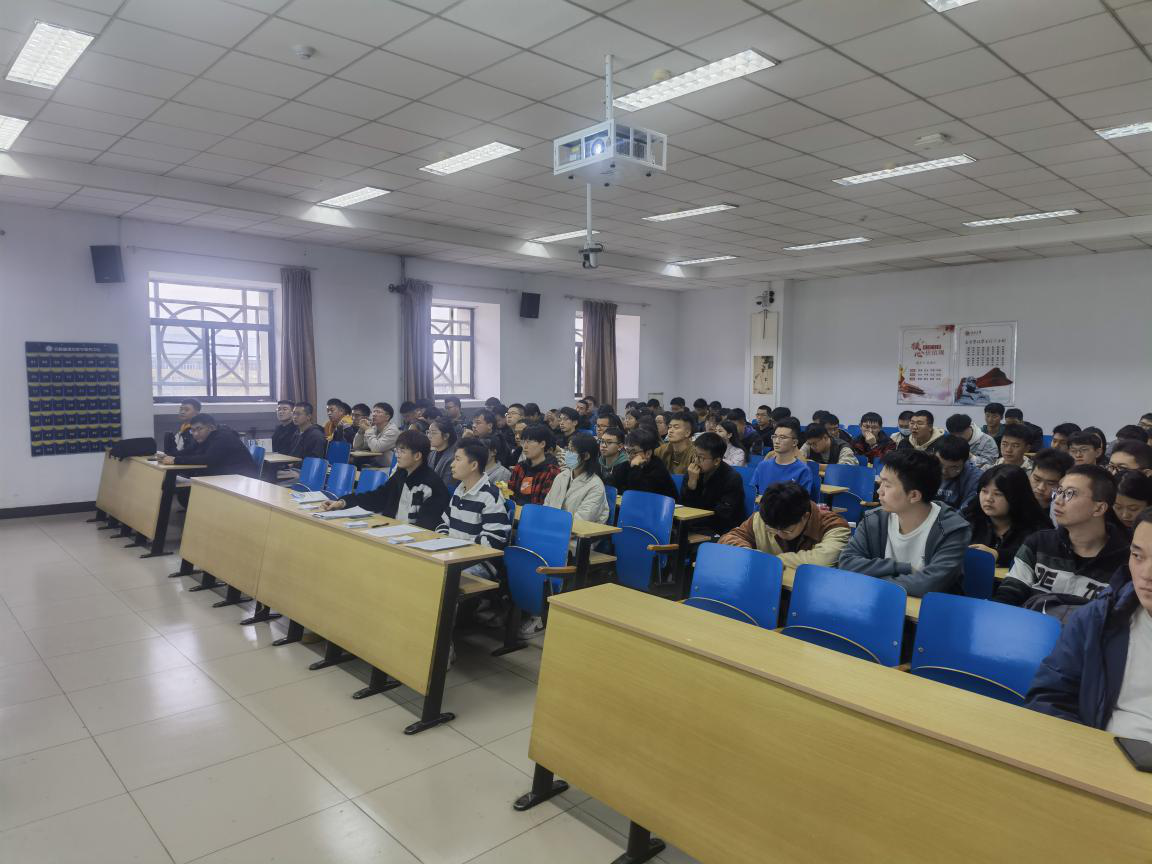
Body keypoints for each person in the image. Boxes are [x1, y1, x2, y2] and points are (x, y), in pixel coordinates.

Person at [1024, 511, 1152, 732]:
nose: (1146, 574)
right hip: (1101, 747)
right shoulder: (1098, 620)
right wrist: (1083, 747)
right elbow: (1050, 698)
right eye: (1137, 556)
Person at [838, 449, 972, 596]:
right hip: (882, 602)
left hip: (933, 608)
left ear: (914, 495)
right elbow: (847, 562)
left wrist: (873, 579)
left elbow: (928, 585)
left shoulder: (952, 530)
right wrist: (902, 567)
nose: (879, 491)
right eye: (881, 482)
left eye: (887, 485)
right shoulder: (874, 519)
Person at [993, 465, 1129, 608]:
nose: (1057, 500)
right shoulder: (1039, 543)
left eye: (1070, 493)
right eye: (1059, 491)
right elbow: (1008, 595)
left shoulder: (1126, 563)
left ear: (1099, 508)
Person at [318, 429, 448, 529]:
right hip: (392, 530)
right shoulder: (401, 475)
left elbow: (427, 525)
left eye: (402, 451)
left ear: (417, 456)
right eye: (397, 450)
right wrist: (343, 502)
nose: (397, 455)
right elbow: (377, 497)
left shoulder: (431, 485)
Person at [721, 482, 851, 568]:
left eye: (786, 531)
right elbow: (729, 538)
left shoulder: (834, 526)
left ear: (805, 517)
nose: (779, 534)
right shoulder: (766, 516)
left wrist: (769, 561)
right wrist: (749, 554)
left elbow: (824, 559)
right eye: (772, 529)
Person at [963, 465, 1050, 567]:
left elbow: (1037, 558)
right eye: (984, 491)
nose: (988, 499)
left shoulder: (1038, 530)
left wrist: (998, 555)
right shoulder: (970, 520)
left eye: (998, 494)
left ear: (1016, 496)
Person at [161, 414, 257, 505]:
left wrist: (175, 460)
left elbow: (208, 459)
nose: (195, 434)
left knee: (187, 495)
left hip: (239, 480)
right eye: (192, 430)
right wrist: (166, 456)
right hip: (223, 476)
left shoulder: (223, 437)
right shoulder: (203, 437)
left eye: (199, 429)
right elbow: (187, 451)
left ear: (211, 428)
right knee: (185, 494)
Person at [679, 432, 746, 536]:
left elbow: (723, 515)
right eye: (695, 455)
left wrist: (695, 518)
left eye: (701, 457)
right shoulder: (693, 472)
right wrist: (691, 486)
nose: (696, 460)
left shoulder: (732, 478)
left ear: (717, 461)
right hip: (695, 524)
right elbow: (684, 506)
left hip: (721, 529)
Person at [544, 433, 610, 524]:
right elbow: (547, 503)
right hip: (553, 527)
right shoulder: (561, 476)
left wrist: (555, 525)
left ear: (586, 456)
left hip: (579, 531)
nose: (567, 454)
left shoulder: (595, 486)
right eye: (567, 449)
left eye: (572, 451)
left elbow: (583, 519)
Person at [611, 427, 678, 499]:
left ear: (648, 453)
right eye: (627, 451)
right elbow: (614, 485)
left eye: (634, 452)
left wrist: (635, 468)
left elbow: (639, 493)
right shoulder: (626, 465)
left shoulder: (658, 469)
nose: (629, 456)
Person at [751, 419, 811, 495]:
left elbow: (803, 500)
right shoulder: (762, 466)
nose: (776, 441)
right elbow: (753, 491)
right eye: (774, 437)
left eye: (782, 437)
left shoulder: (802, 470)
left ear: (794, 442)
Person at [507, 424, 561, 505]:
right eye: (523, 442)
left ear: (542, 444)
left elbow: (545, 504)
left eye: (529, 442)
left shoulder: (552, 472)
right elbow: (510, 493)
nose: (525, 446)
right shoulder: (519, 467)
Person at [934, 435, 983, 512]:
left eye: (953, 467)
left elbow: (966, 511)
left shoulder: (975, 478)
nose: (943, 471)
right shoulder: (924, 467)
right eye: (940, 464)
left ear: (965, 461)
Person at [1029, 447, 1075, 517]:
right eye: (1037, 479)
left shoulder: (1066, 513)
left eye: (1050, 483)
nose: (1041, 488)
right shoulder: (1016, 501)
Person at [352, 401, 399, 468]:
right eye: (373, 411)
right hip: (377, 464)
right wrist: (361, 431)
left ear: (387, 417)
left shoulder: (392, 431)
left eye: (378, 412)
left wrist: (368, 430)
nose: (374, 414)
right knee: (355, 462)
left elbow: (376, 448)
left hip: (391, 467)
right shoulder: (373, 428)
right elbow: (357, 447)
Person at [426, 417, 458, 489]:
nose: (429, 436)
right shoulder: (431, 454)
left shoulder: (454, 457)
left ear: (446, 436)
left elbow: (446, 485)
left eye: (433, 433)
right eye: (428, 432)